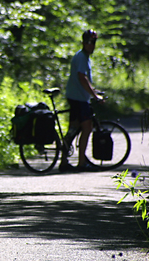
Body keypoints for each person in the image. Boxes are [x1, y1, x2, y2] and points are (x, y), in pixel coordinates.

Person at [59, 29, 103, 173]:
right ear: (83, 43)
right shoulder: (81, 57)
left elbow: (84, 81)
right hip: (78, 99)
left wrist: (93, 92)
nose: (91, 45)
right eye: (88, 42)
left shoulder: (83, 57)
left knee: (73, 129)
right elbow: (82, 78)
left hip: (78, 97)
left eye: (93, 42)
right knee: (87, 127)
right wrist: (95, 96)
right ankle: (81, 163)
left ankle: (64, 162)